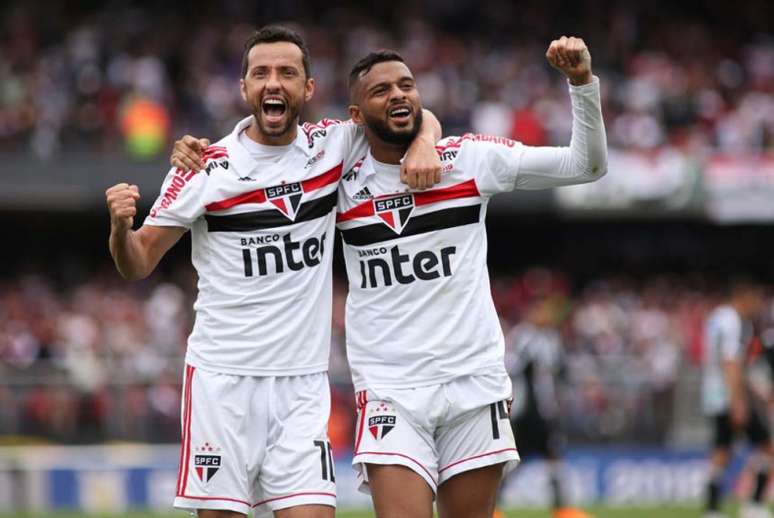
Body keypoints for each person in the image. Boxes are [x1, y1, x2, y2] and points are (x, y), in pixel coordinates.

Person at [173, 35, 607, 518]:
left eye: (407, 86)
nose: (398, 95)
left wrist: (581, 83)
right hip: (389, 390)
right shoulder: (339, 177)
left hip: (473, 382)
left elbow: (584, 165)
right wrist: (199, 154)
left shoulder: (469, 160)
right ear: (356, 117)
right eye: (381, 91)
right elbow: (267, 163)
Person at [106, 25, 441, 518]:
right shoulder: (204, 167)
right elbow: (137, 263)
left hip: (302, 388)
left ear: (307, 89)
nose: (273, 83)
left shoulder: (333, 146)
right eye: (260, 73)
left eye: (287, 72)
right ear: (244, 88)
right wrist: (119, 227)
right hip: (223, 385)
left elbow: (408, 112)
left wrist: (426, 141)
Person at [504, 298, 592, 518]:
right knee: (513, 461)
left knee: (554, 458)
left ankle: (561, 509)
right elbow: (513, 366)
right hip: (525, 413)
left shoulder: (552, 339)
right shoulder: (523, 336)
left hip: (546, 412)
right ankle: (493, 505)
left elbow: (562, 372)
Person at [702, 280, 773, 518]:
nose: (757, 305)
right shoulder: (732, 321)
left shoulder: (716, 318)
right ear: (744, 296)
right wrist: (738, 401)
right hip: (729, 395)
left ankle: (712, 511)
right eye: (755, 299)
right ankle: (753, 505)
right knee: (767, 447)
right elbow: (730, 362)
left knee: (722, 450)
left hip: (713, 393)